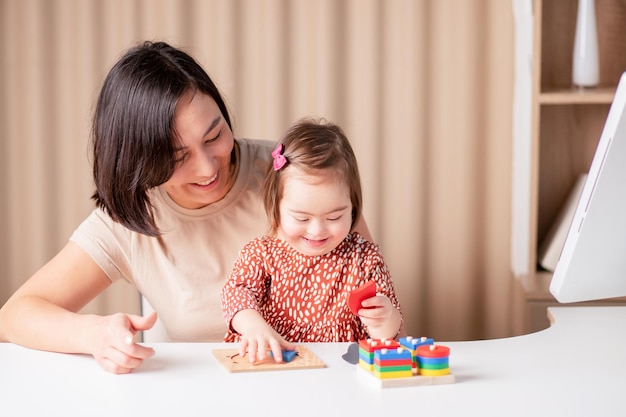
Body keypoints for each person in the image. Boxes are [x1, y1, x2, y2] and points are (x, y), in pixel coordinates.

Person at [0, 41, 374, 374]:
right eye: (176, 158)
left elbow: (368, 287)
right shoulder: (132, 218)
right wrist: (94, 334)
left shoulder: (293, 177)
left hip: (317, 383)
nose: (209, 167)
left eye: (214, 135)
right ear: (139, 160)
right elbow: (16, 315)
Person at [220, 118, 403, 364]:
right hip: (274, 370)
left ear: (353, 207)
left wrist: (386, 320)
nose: (317, 231)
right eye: (302, 218)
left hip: (339, 375)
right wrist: (253, 327)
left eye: (334, 216)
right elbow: (236, 293)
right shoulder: (261, 253)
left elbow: (386, 336)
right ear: (276, 207)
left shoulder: (364, 258)